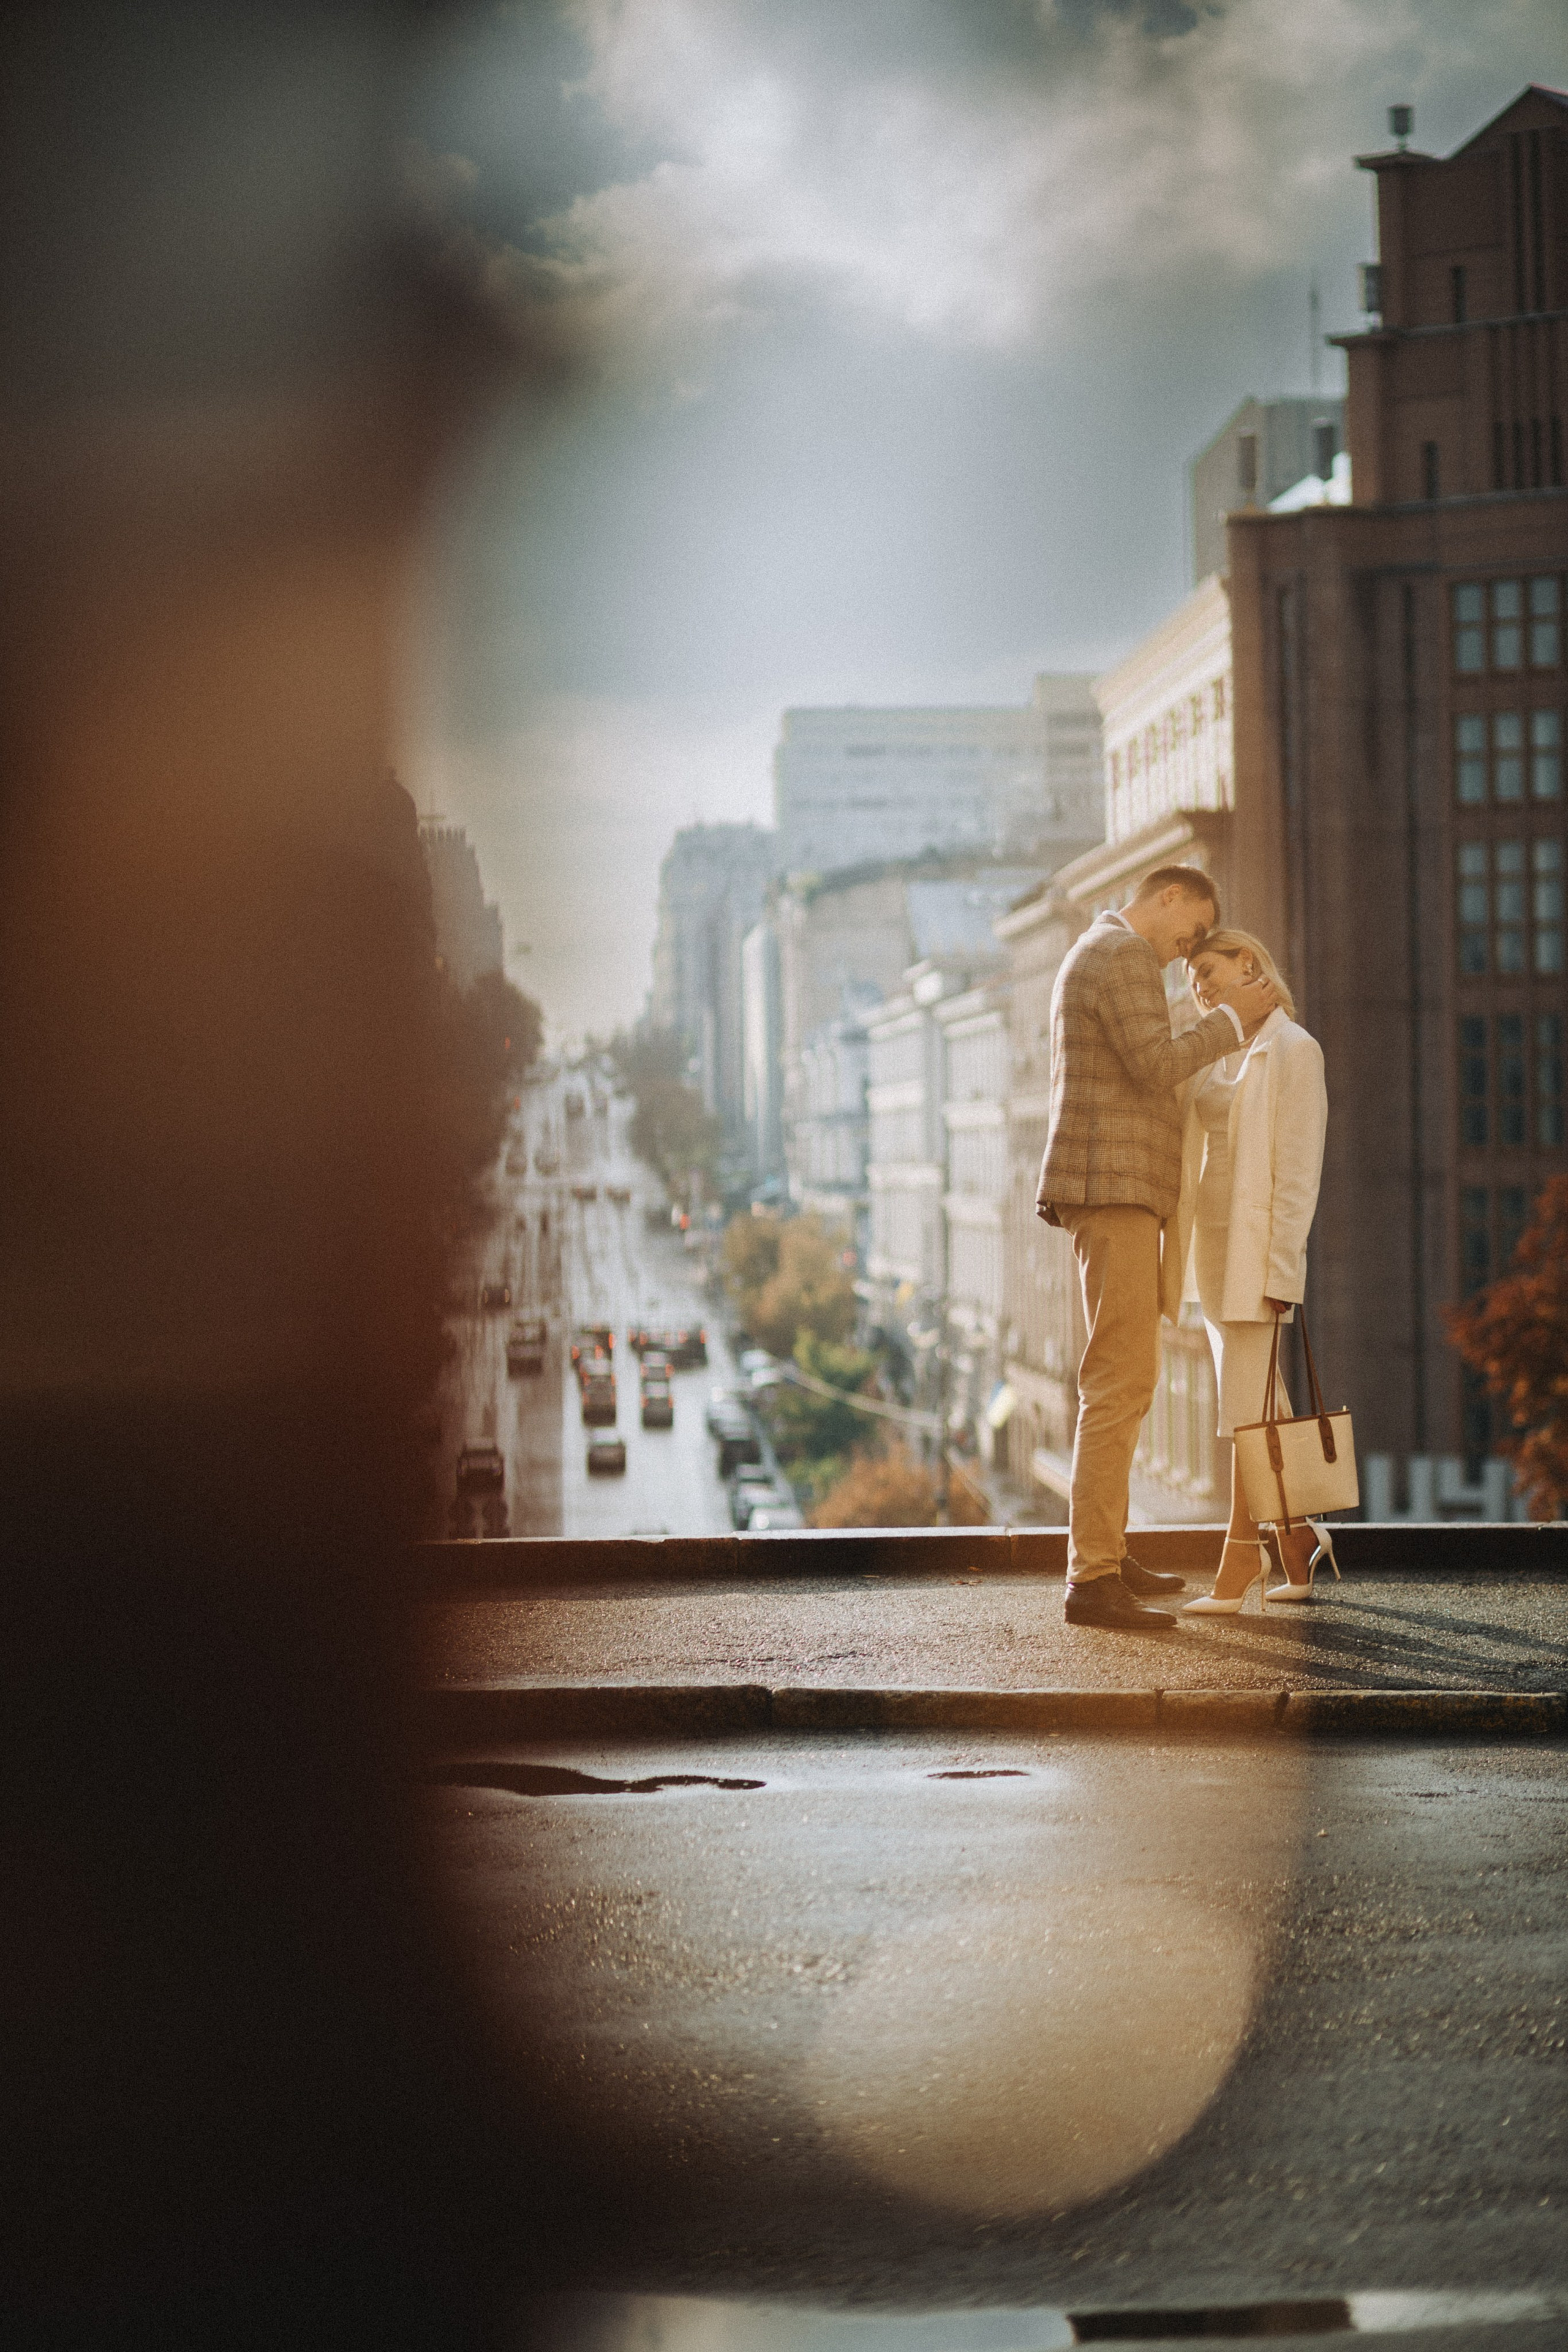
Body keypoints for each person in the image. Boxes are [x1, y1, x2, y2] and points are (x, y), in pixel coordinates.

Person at [1037, 867, 1280, 1630]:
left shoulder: (1103, 953)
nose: (1185, 954)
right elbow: (1152, 1063)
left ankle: (1106, 1553)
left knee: (1126, 1377)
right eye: (1188, 934)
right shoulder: (1123, 957)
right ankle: (1093, 1579)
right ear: (1168, 896)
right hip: (1113, 1189)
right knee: (1119, 1379)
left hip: (1110, 1189)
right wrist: (1234, 1021)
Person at [1172, 930, 1335, 1613]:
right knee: (1259, 1404)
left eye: (1208, 971)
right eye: (1191, 980)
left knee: (1246, 1411)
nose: (1199, 987)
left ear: (1250, 963)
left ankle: (1240, 1559)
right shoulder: (1217, 1049)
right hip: (1211, 1249)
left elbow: (1299, 1173)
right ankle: (1297, 1539)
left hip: (1255, 1254)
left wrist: (1281, 1270)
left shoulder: (1294, 1050)